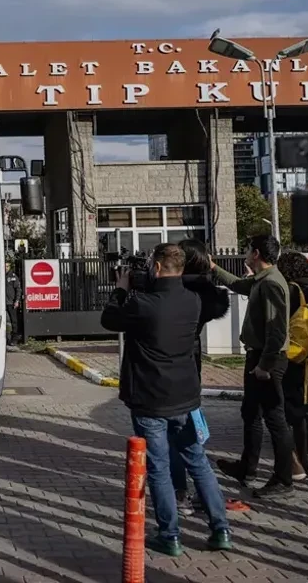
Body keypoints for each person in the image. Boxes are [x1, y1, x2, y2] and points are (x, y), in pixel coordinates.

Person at [101, 243, 233, 555]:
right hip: (185, 397)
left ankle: (170, 535)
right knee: (197, 461)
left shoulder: (142, 304)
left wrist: (121, 288)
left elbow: (109, 319)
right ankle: (221, 529)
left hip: (150, 399)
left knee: (158, 467)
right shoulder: (193, 301)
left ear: (157, 268)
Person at [210, 234, 297, 499]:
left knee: (275, 419)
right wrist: (213, 268)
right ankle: (247, 468)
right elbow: (237, 284)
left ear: (256, 253)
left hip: (267, 359)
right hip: (257, 356)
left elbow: (277, 331)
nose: (245, 253)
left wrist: (265, 365)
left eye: (248, 249)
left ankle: (284, 479)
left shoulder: (271, 284)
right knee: (251, 413)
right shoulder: (261, 280)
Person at [169, 238, 231, 516]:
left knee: (173, 436)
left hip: (168, 365)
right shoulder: (204, 294)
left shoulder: (172, 289)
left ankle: (180, 494)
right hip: (190, 365)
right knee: (189, 434)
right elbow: (220, 303)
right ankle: (211, 506)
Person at [275, 249, 308, 480]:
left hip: (286, 355)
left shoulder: (292, 291)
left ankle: (292, 465)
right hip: (302, 357)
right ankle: (304, 461)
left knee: (281, 414)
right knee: (298, 413)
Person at [4, 260, 22, 349]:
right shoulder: (1, 276)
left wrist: (17, 301)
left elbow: (18, 289)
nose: (5, 268)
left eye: (7, 266)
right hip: (2, 303)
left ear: (10, 267)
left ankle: (14, 338)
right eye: (4, 266)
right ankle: (6, 339)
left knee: (13, 321)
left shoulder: (13, 277)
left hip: (11, 302)